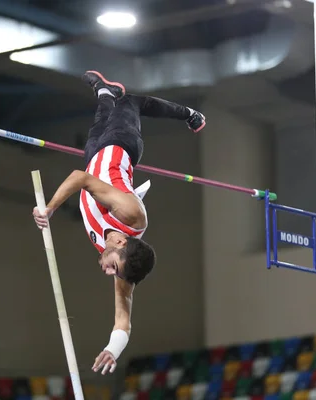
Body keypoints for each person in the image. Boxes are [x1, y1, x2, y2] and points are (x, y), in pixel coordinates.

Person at [32, 71, 206, 375]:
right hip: (121, 144)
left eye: (114, 271)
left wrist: (113, 349)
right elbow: (79, 179)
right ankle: (191, 114)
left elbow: (123, 320)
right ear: (121, 242)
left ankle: (103, 90)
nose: (109, 272)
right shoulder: (131, 215)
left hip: (93, 154)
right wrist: (48, 209)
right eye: (114, 265)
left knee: (106, 104)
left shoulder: (125, 265)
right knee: (132, 102)